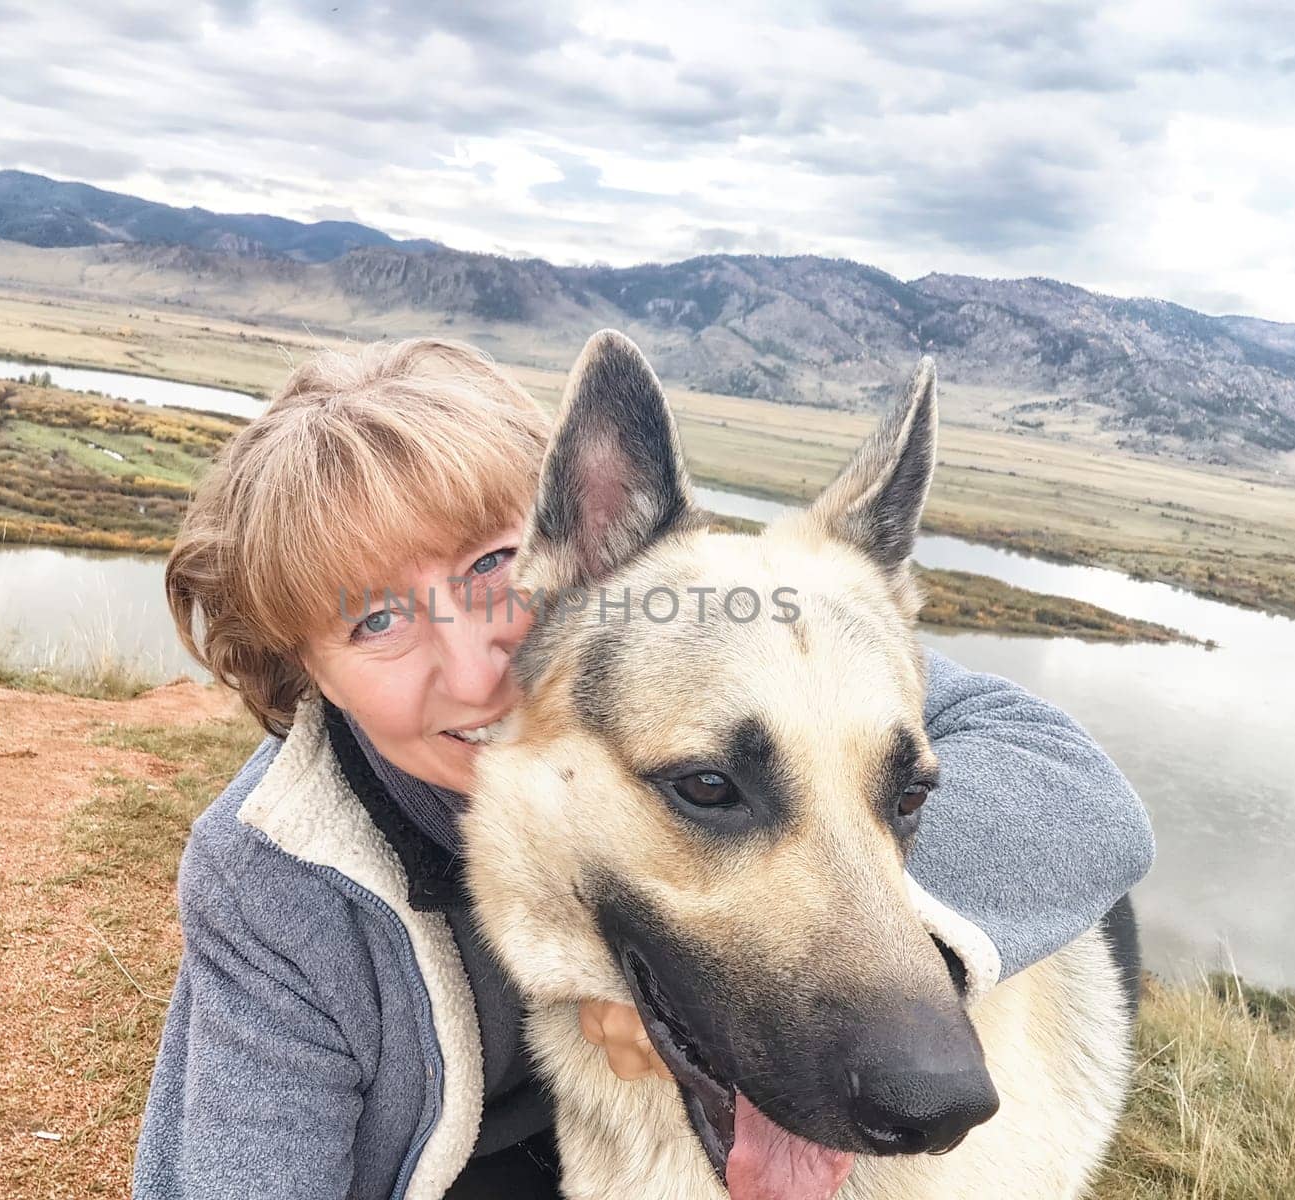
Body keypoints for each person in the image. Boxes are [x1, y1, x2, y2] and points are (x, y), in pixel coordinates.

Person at [132, 338, 1154, 1200]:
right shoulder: (276, 868)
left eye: (493, 566)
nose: (479, 661)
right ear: (304, 672)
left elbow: (1082, 794)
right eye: (376, 619)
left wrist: (901, 939)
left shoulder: (733, 641)